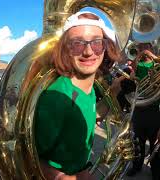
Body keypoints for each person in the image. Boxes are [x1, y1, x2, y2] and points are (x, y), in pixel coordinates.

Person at [34, 11, 121, 180]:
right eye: (77, 44)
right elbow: (29, 155)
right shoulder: (57, 98)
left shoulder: (90, 88)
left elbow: (88, 115)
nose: (88, 52)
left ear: (105, 47)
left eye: (96, 43)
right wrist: (61, 177)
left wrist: (114, 93)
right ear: (66, 50)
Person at [125, 43, 160, 180]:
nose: (144, 50)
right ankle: (136, 166)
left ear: (151, 48)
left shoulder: (157, 63)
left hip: (154, 109)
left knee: (155, 144)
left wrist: (152, 56)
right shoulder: (138, 65)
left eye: (146, 47)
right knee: (137, 142)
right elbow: (132, 67)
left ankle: (156, 170)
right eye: (141, 47)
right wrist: (139, 55)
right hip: (139, 108)